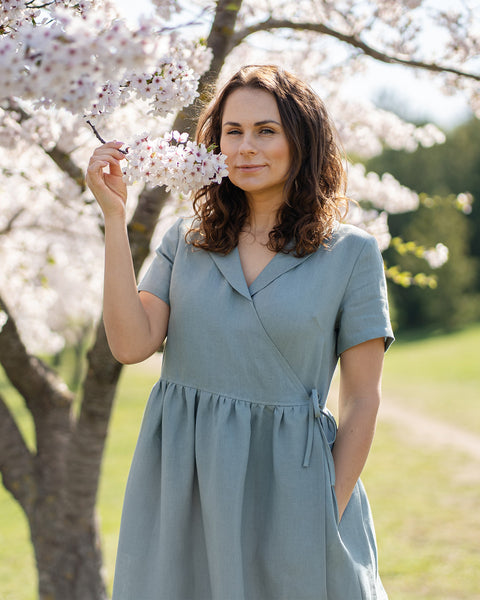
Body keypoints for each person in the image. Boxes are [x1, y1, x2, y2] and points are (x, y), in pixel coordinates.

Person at [86, 64, 394, 600]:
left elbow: (362, 399)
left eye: (266, 130)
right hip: (188, 488)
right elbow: (130, 344)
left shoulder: (352, 254)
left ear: (303, 140)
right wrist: (115, 219)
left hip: (296, 491)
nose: (246, 147)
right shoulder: (185, 241)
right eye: (233, 131)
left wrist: (329, 504)